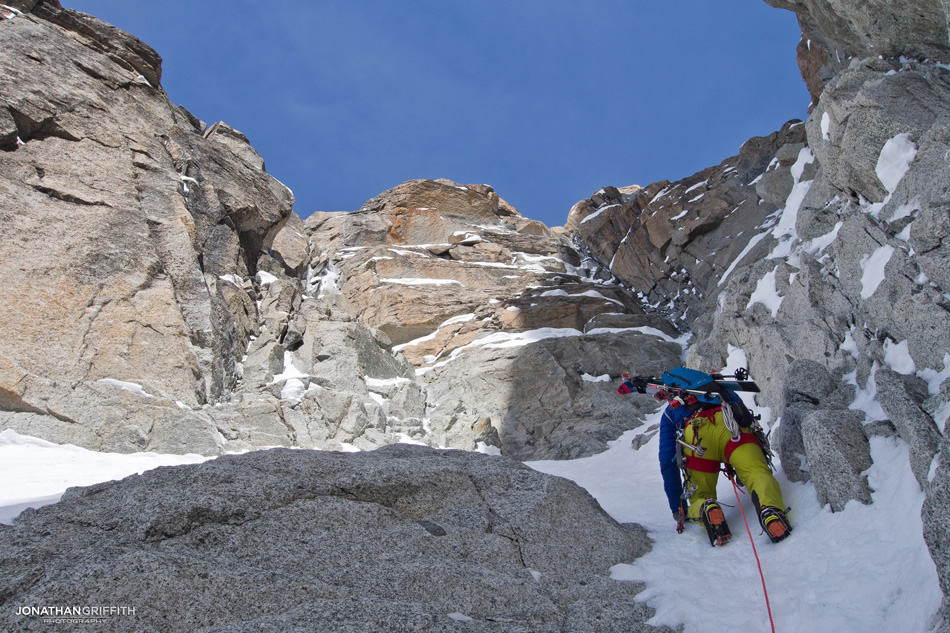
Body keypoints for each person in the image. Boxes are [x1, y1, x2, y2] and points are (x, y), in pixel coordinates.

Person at [619, 367, 791, 546]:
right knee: (757, 474)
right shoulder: (721, 391)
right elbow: (745, 418)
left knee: (700, 494)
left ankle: (705, 508)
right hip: (731, 428)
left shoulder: (671, 413)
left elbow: (667, 462)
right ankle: (770, 511)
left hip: (696, 438)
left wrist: (678, 507)